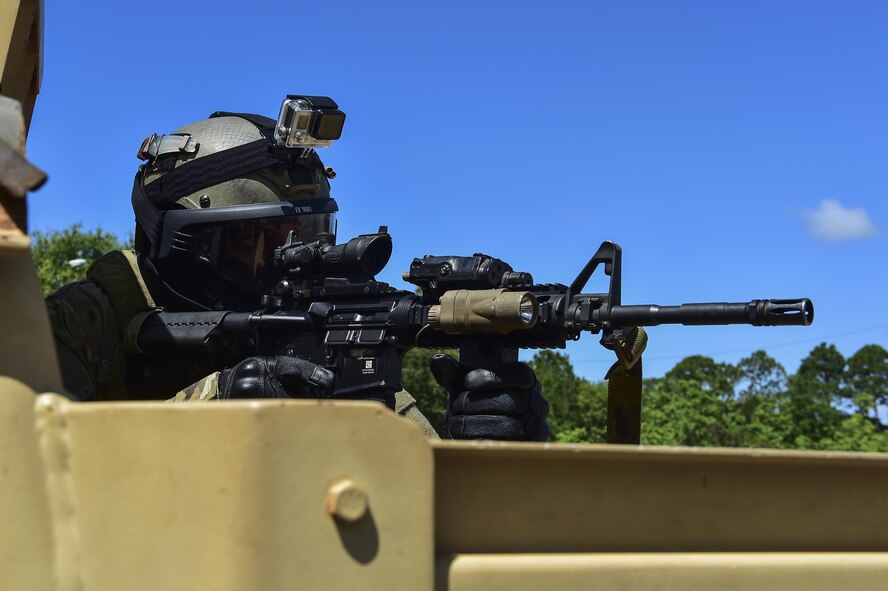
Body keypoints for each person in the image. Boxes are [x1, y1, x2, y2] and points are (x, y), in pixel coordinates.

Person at [46, 100, 549, 442]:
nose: (293, 262)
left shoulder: (315, 346)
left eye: (310, 238)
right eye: (260, 241)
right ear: (187, 243)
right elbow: (36, 495)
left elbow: (428, 523)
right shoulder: (74, 328)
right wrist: (211, 406)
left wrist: (488, 453)